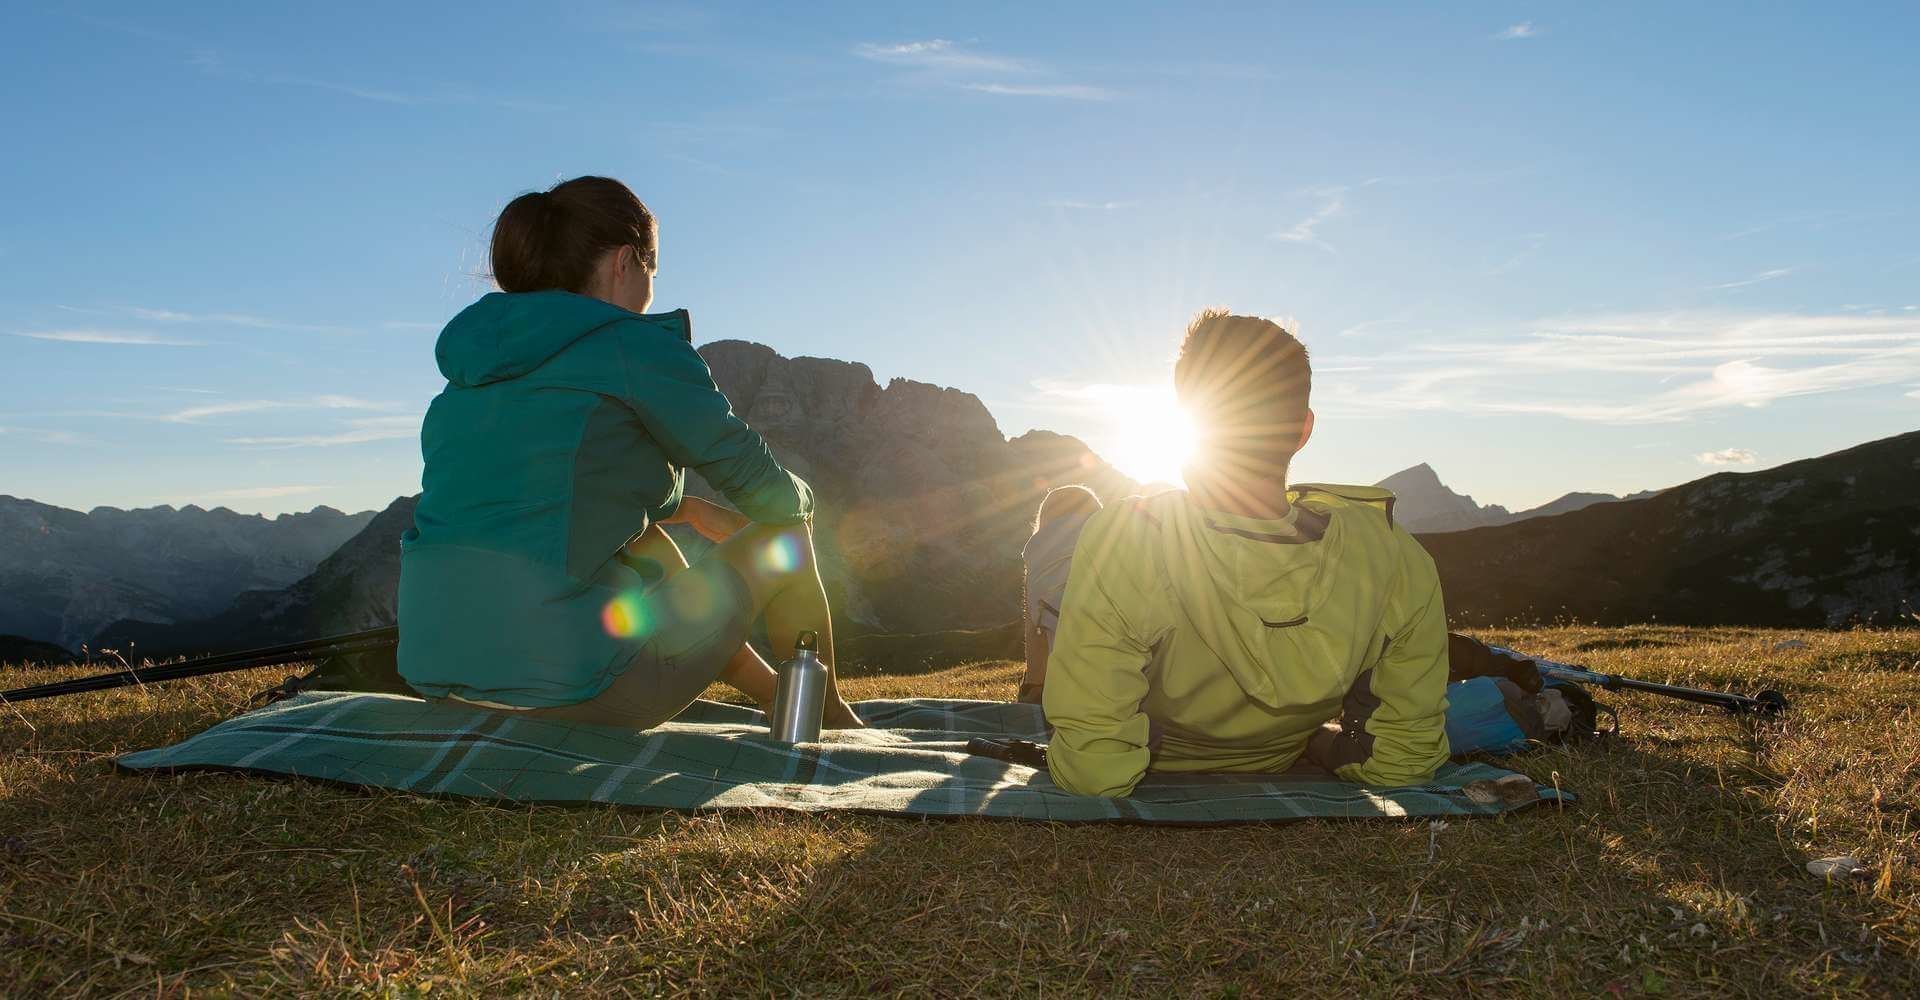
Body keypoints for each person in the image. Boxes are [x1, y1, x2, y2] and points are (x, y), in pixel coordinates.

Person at [397, 176, 862, 730]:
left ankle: (773, 695)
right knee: (786, 536)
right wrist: (796, 506)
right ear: (625, 262)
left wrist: (683, 507)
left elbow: (558, 488)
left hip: (442, 680)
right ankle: (829, 719)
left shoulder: (475, 370)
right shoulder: (633, 346)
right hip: (571, 690)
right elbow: (772, 493)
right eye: (653, 269)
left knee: (645, 540)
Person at [1031, 310, 1455, 797]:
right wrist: (1320, 747)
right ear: (1303, 430)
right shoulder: (1393, 552)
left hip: (1155, 747)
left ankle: (1036, 678)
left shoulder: (1130, 535)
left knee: (1068, 513)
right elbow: (1406, 759)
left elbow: (1093, 770)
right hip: (1282, 750)